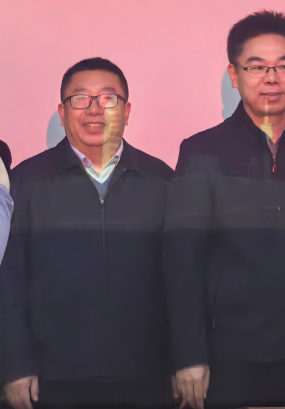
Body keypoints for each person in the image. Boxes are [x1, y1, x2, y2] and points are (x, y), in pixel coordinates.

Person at [163, 11, 285, 409]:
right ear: (234, 74)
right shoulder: (201, 152)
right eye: (257, 67)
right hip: (229, 354)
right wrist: (189, 356)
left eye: (284, 66)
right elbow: (182, 264)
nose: (272, 78)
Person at [0, 58, 175, 409]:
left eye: (109, 99)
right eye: (80, 99)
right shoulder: (25, 181)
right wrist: (15, 366)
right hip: (51, 378)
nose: (95, 109)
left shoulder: (162, 180)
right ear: (62, 113)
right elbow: (8, 283)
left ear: (126, 111)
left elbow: (180, 280)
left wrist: (181, 360)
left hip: (146, 375)